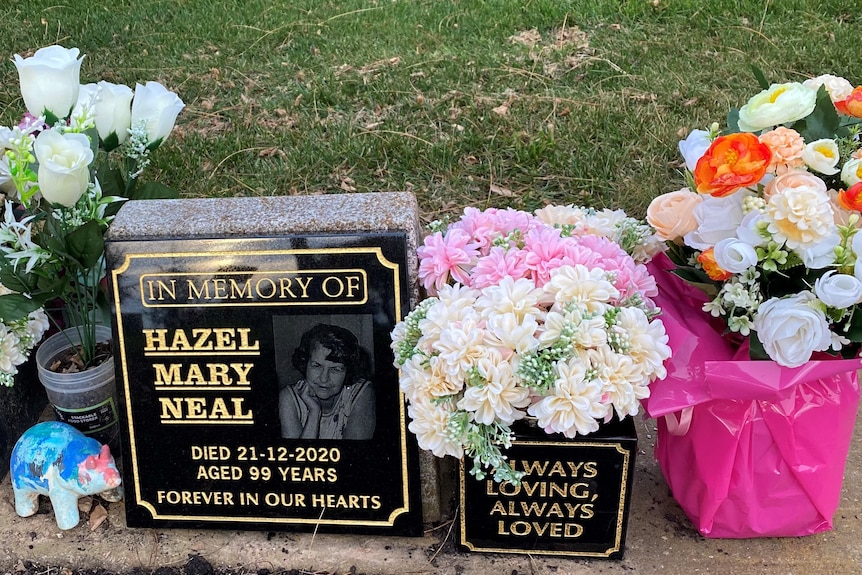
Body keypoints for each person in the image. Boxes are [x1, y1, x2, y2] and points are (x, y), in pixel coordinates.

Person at [279, 323, 375, 440]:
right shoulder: (289, 397)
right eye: (317, 366)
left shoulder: (362, 393)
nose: (324, 379)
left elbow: (354, 456)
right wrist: (314, 413)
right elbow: (299, 457)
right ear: (305, 363)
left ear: (347, 371)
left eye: (335, 369)